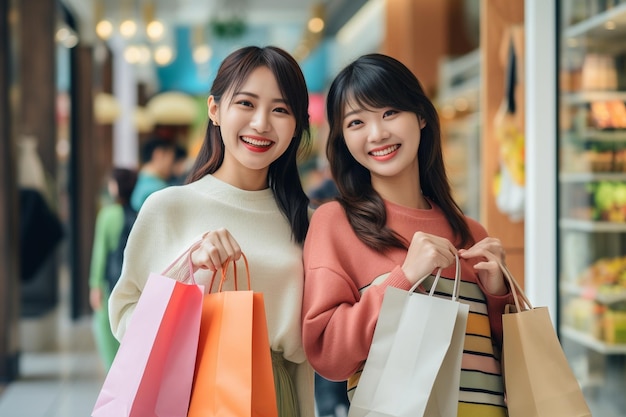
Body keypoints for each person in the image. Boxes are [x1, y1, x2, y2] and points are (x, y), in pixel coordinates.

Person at [301, 54, 514, 417]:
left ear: (421, 116)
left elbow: (501, 363)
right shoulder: (336, 223)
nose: (377, 134)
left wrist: (498, 296)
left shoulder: (471, 232)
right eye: (356, 122)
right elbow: (329, 355)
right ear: (343, 139)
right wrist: (404, 278)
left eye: (389, 113)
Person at [109, 46, 314, 417]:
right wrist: (188, 269)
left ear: (297, 125)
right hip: (188, 392)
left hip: (274, 397)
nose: (261, 123)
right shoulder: (168, 207)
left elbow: (302, 360)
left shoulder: (307, 222)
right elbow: (125, 321)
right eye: (246, 104)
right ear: (215, 110)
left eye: (280, 109)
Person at [89, 167, 138, 371]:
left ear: (116, 187)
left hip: (110, 282)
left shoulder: (108, 215)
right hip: (132, 283)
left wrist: (95, 284)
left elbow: (100, 253)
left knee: (104, 326)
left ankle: (114, 373)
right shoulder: (138, 213)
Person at [130, 137, 177, 211]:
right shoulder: (158, 189)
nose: (172, 165)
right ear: (159, 154)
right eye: (172, 159)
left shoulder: (138, 182)